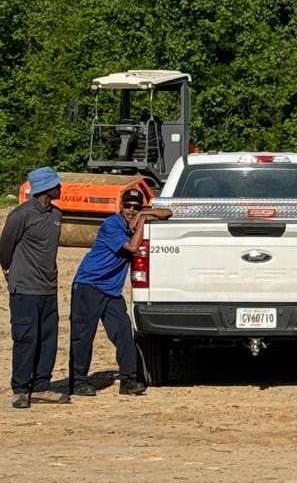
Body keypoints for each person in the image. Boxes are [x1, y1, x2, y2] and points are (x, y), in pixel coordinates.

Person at [69, 188, 171, 397]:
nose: (131, 210)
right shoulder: (111, 225)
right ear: (121, 206)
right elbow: (133, 248)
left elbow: (168, 213)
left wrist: (144, 214)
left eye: (136, 207)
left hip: (111, 290)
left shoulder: (136, 218)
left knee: (124, 332)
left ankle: (128, 380)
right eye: (128, 206)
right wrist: (144, 220)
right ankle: (78, 381)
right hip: (89, 284)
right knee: (83, 336)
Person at [1, 166, 69, 409]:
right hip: (25, 290)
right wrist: (10, 273)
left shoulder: (56, 215)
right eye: (57, 184)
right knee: (26, 338)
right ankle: (20, 389)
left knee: (48, 339)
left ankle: (42, 386)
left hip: (48, 289)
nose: (61, 188)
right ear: (46, 188)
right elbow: (5, 248)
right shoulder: (20, 215)